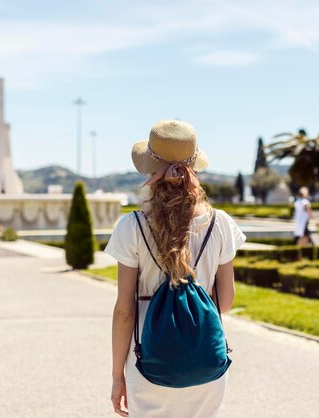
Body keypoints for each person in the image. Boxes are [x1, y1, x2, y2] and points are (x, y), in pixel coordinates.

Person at [105, 119, 246, 417]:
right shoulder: (220, 224)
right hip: (206, 361)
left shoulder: (132, 227)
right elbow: (227, 299)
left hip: (149, 362)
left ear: (150, 171)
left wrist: (118, 376)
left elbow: (125, 312)